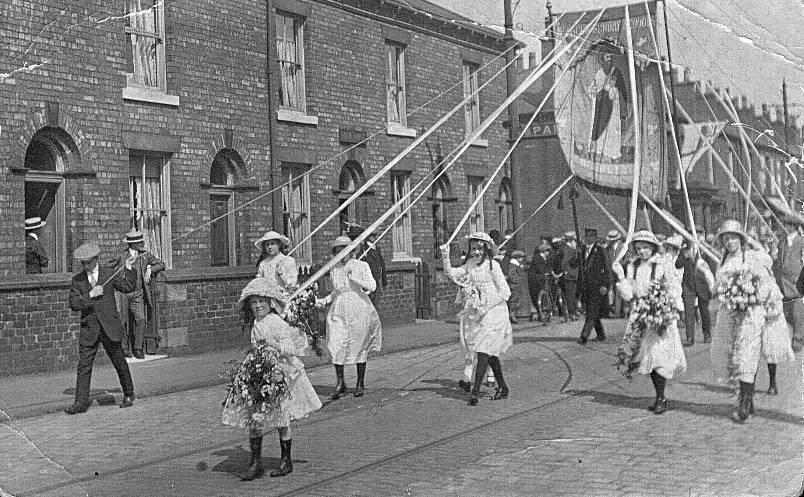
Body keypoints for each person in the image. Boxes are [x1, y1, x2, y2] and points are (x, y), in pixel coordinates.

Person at [222, 278, 322, 480]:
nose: (258, 306)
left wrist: (274, 346)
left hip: (278, 372)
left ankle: (286, 461)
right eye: (253, 302)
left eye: (261, 302)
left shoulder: (277, 322)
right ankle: (255, 462)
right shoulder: (256, 323)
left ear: (271, 303)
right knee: (255, 415)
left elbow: (291, 348)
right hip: (259, 370)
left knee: (281, 417)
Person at [710, 220, 790, 423]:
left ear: (741, 239)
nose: (730, 242)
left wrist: (750, 296)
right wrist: (725, 294)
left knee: (748, 355)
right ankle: (748, 400)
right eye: (726, 239)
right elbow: (719, 287)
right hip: (729, 315)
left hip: (751, 315)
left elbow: (766, 278)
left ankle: (744, 404)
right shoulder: (723, 261)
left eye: (733, 237)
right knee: (734, 357)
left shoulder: (753, 257)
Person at [613, 230, 686, 414]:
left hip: (659, 315)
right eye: (638, 248)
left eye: (646, 247)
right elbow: (629, 294)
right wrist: (621, 276)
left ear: (653, 247)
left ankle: (661, 397)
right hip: (641, 314)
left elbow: (674, 286)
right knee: (647, 357)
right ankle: (659, 396)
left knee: (659, 355)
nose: (642, 251)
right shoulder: (633, 266)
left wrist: (671, 309)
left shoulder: (662, 264)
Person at [440, 232, 512, 406]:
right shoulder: (470, 265)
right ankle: (503, 386)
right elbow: (452, 274)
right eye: (473, 249)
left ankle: (476, 391)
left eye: (480, 248)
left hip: (495, 313)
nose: (476, 252)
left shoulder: (493, 266)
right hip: (477, 312)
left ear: (486, 249)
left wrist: (486, 305)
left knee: (483, 350)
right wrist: (445, 255)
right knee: (489, 353)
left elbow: (505, 292)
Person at [66, 243, 137, 414]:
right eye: (82, 263)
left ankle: (128, 393)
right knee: (84, 366)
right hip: (89, 329)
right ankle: (80, 403)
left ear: (96, 260)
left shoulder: (109, 274)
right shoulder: (78, 280)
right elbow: (74, 304)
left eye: (88, 262)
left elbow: (128, 287)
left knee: (119, 361)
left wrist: (128, 268)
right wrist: (90, 295)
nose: (85, 266)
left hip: (109, 328)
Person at [316, 236, 382, 400]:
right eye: (339, 251)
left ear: (352, 251)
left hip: (358, 307)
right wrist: (324, 301)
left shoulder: (361, 265)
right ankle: (340, 383)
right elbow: (335, 291)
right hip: (339, 308)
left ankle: (360, 383)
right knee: (336, 342)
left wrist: (355, 278)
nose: (342, 254)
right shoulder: (334, 269)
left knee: (358, 343)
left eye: (346, 250)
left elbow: (372, 286)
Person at [115, 229, 165, 359]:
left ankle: (138, 348)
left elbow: (161, 264)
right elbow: (109, 269)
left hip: (138, 294)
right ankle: (125, 348)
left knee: (141, 320)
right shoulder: (122, 256)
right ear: (132, 244)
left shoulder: (145, 256)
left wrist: (150, 269)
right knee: (122, 321)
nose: (141, 244)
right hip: (123, 293)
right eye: (139, 242)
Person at [772, 219, 804, 353]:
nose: (784, 227)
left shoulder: (802, 241)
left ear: (793, 226)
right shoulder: (781, 242)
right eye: (784, 224)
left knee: (797, 313)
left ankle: (798, 338)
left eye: (787, 224)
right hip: (782, 284)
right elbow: (777, 261)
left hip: (797, 282)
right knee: (787, 314)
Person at [675, 239, 714, 346]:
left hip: (702, 285)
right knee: (689, 312)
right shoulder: (683, 250)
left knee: (704, 311)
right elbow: (677, 265)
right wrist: (684, 257)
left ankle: (707, 335)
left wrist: (711, 285)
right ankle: (690, 337)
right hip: (688, 285)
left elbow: (711, 266)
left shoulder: (704, 249)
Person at [577, 228, 610, 344]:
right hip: (586, 287)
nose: (588, 239)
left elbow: (607, 269)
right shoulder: (582, 250)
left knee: (591, 312)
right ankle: (600, 335)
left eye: (591, 236)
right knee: (593, 311)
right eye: (586, 236)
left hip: (597, 286)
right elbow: (575, 264)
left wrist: (605, 285)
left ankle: (584, 336)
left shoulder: (600, 250)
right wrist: (577, 254)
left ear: (595, 238)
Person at [528, 241, 552, 323]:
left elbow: (548, 268)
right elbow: (540, 269)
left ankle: (541, 312)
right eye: (547, 251)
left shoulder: (545, 258)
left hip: (541, 279)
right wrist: (546, 273)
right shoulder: (537, 258)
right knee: (536, 297)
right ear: (543, 251)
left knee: (542, 296)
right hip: (535, 280)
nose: (548, 253)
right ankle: (539, 313)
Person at [361, 232, 387, 306]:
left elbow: (382, 264)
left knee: (376, 301)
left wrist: (384, 279)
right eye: (373, 235)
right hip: (369, 280)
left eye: (375, 235)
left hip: (378, 279)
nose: (375, 237)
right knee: (369, 303)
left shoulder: (377, 248)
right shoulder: (364, 249)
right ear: (368, 236)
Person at [605, 229, 626, 318]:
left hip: (621, 272)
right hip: (611, 273)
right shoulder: (608, 249)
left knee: (620, 292)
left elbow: (627, 258)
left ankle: (618, 312)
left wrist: (621, 266)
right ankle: (618, 310)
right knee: (613, 291)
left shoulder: (623, 247)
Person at [561, 232, 581, 320]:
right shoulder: (567, 249)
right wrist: (568, 272)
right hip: (570, 275)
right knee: (570, 294)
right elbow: (564, 262)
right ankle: (571, 312)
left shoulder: (571, 248)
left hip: (574, 274)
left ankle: (574, 310)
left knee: (573, 294)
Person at [506, 250, 526, 324]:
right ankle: (512, 316)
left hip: (515, 286)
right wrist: (517, 281)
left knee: (515, 302)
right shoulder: (513, 265)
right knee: (513, 302)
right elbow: (511, 275)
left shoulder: (515, 265)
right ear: (517, 258)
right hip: (514, 286)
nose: (522, 259)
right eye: (521, 257)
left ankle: (513, 316)